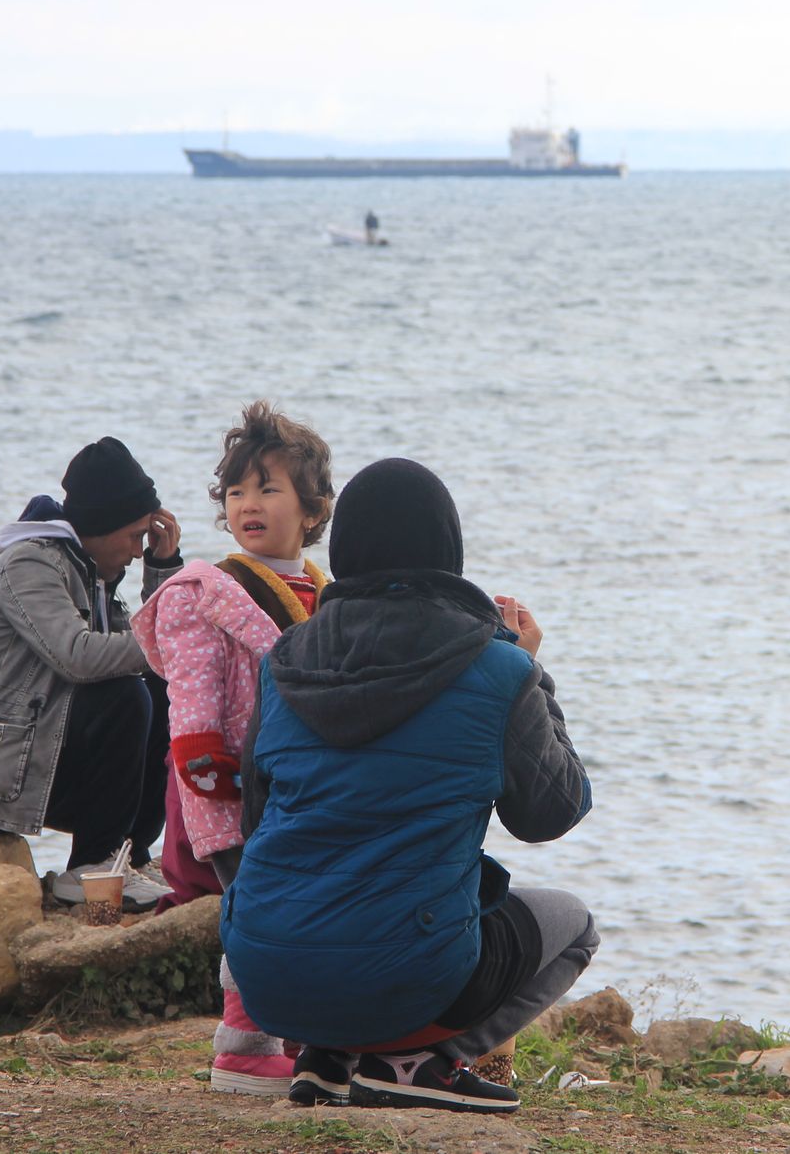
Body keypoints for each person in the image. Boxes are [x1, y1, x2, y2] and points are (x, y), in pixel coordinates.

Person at [221, 458, 596, 1114]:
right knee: (576, 925)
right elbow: (553, 809)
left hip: (267, 970)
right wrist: (532, 674)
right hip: (407, 968)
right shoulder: (496, 667)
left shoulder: (285, 661)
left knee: (342, 891)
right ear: (447, 554)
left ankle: (327, 1053)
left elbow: (256, 821)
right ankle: (418, 1062)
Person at [129, 401, 335, 1096]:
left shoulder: (328, 597)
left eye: (269, 487)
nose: (250, 503)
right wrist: (214, 798)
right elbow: (190, 706)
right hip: (225, 788)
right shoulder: (202, 594)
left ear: (314, 509)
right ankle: (243, 1046)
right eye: (237, 490)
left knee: (304, 910)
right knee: (257, 911)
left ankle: (301, 1033)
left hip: (304, 790)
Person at [0, 436, 182, 912]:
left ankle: (124, 854)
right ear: (101, 526)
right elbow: (79, 657)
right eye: (133, 537)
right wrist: (174, 644)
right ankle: (92, 865)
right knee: (128, 695)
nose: (135, 550)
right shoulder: (30, 563)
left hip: (40, 756)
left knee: (161, 689)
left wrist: (162, 568)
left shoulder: (90, 572)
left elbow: (148, 652)